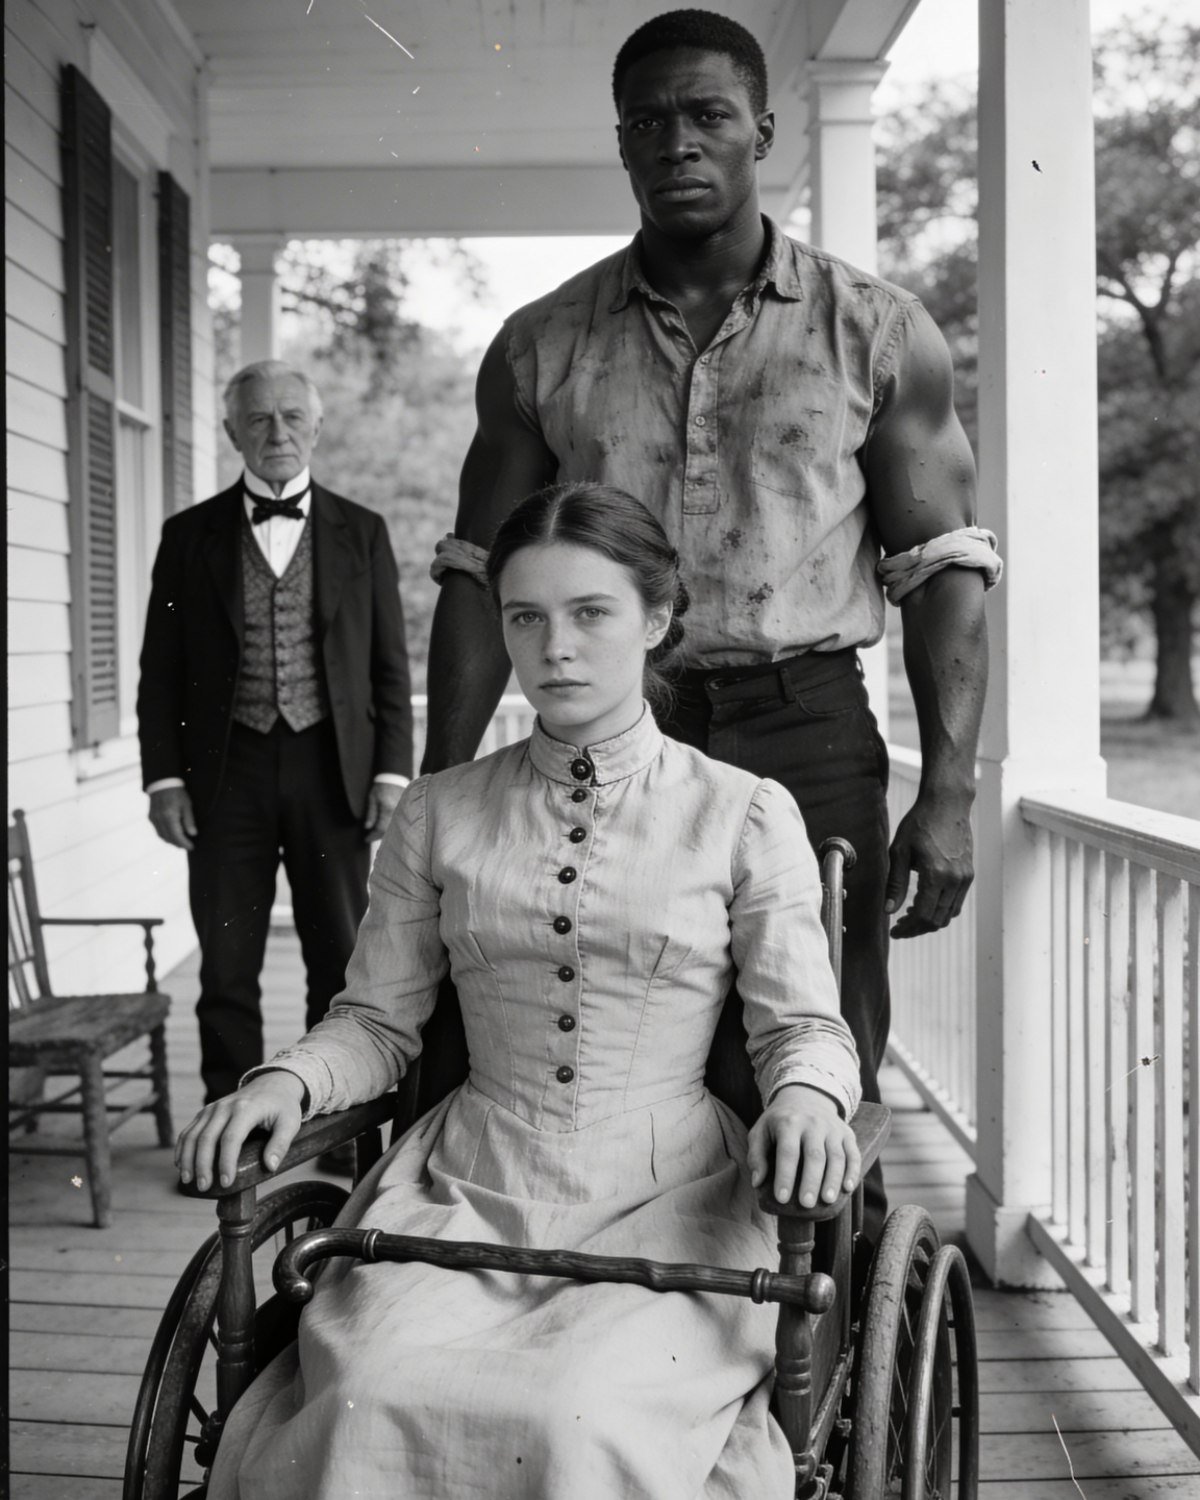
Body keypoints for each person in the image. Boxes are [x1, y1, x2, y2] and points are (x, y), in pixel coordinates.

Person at [422, 8, 1000, 1239]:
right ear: (622, 143)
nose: (676, 141)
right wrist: (438, 789)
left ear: (762, 132)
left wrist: (949, 792)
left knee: (813, 1053)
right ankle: (634, 1306)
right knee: (603, 1028)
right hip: (605, 732)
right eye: (648, 121)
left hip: (807, 728)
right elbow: (478, 572)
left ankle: (820, 1316)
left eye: (707, 115)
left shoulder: (876, 330)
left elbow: (944, 565)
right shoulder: (541, 346)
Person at [177, 483, 863, 1499]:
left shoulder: (742, 814)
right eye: (526, 618)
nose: (557, 649)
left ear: (656, 620)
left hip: (671, 1199)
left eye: (591, 613)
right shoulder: (441, 813)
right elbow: (375, 1019)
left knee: (575, 1412)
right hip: (465, 1186)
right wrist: (288, 1081)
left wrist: (805, 1096)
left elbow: (802, 1024)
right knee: (373, 1385)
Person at [137, 360, 413, 1109]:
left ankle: (332, 1118)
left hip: (334, 772)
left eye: (292, 416)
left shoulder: (363, 531)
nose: (277, 432)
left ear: (316, 426)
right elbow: (160, 671)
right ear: (233, 432)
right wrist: (163, 780)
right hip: (223, 775)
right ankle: (229, 1129)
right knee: (226, 966)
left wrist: (391, 774)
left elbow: (389, 666)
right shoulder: (187, 536)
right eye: (258, 418)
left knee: (339, 960)